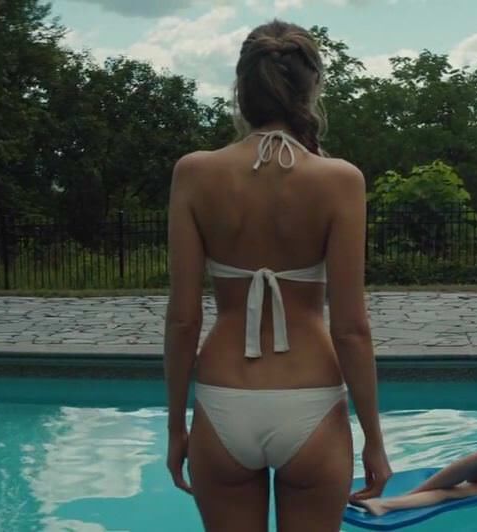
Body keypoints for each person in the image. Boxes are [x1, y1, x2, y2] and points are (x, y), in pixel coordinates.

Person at [163, 19, 391, 530]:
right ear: (311, 91)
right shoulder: (340, 180)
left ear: (242, 90)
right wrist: (374, 439)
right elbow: (351, 329)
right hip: (310, 400)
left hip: (223, 399)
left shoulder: (194, 173)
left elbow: (182, 321)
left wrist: (176, 425)